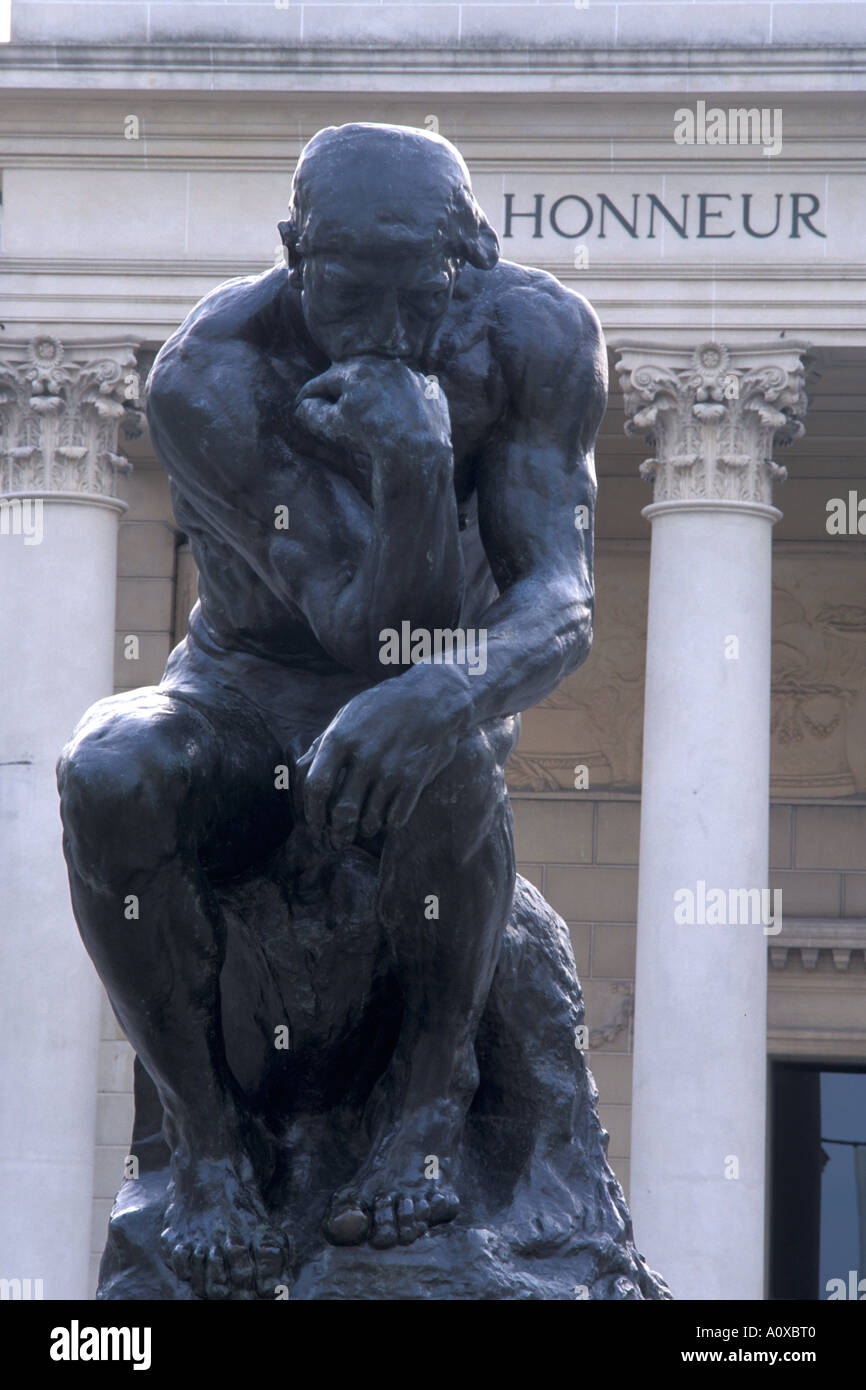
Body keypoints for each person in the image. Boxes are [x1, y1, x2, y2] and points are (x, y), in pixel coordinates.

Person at [57, 122, 605, 1300]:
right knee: (105, 768)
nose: (385, 329)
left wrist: (449, 686)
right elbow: (356, 624)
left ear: (475, 255)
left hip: (427, 710)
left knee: (438, 742)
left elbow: (558, 597)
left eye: (418, 291)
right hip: (244, 708)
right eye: (349, 290)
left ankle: (421, 1111)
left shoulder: (533, 334)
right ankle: (206, 1156)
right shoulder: (211, 372)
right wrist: (413, 464)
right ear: (294, 255)